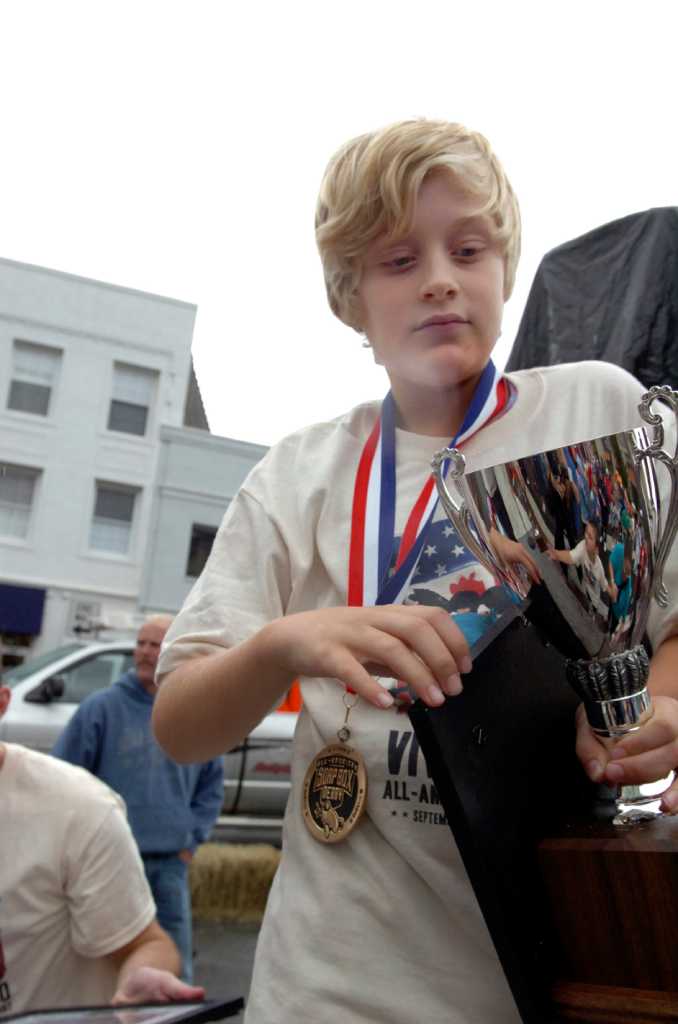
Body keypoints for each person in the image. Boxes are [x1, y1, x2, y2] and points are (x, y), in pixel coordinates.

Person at [151, 120, 678, 1023]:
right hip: (318, 990)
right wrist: (283, 645)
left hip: (528, 978)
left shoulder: (595, 408)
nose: (440, 277)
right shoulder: (297, 475)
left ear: (504, 268)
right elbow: (180, 727)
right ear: (348, 298)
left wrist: (660, 706)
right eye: (398, 261)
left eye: (467, 248)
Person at [0, 682, 205, 1015]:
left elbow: (146, 944)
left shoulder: (78, 808)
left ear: (3, 702)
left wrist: (141, 978)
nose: (147, 651)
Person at [52, 615, 224, 982]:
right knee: (104, 971)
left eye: (156, 644)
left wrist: (190, 841)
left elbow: (211, 788)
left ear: (174, 650)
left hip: (170, 867)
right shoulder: (99, 710)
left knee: (174, 970)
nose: (146, 652)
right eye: (141, 643)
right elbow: (63, 781)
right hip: (108, 864)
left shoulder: (195, 712)